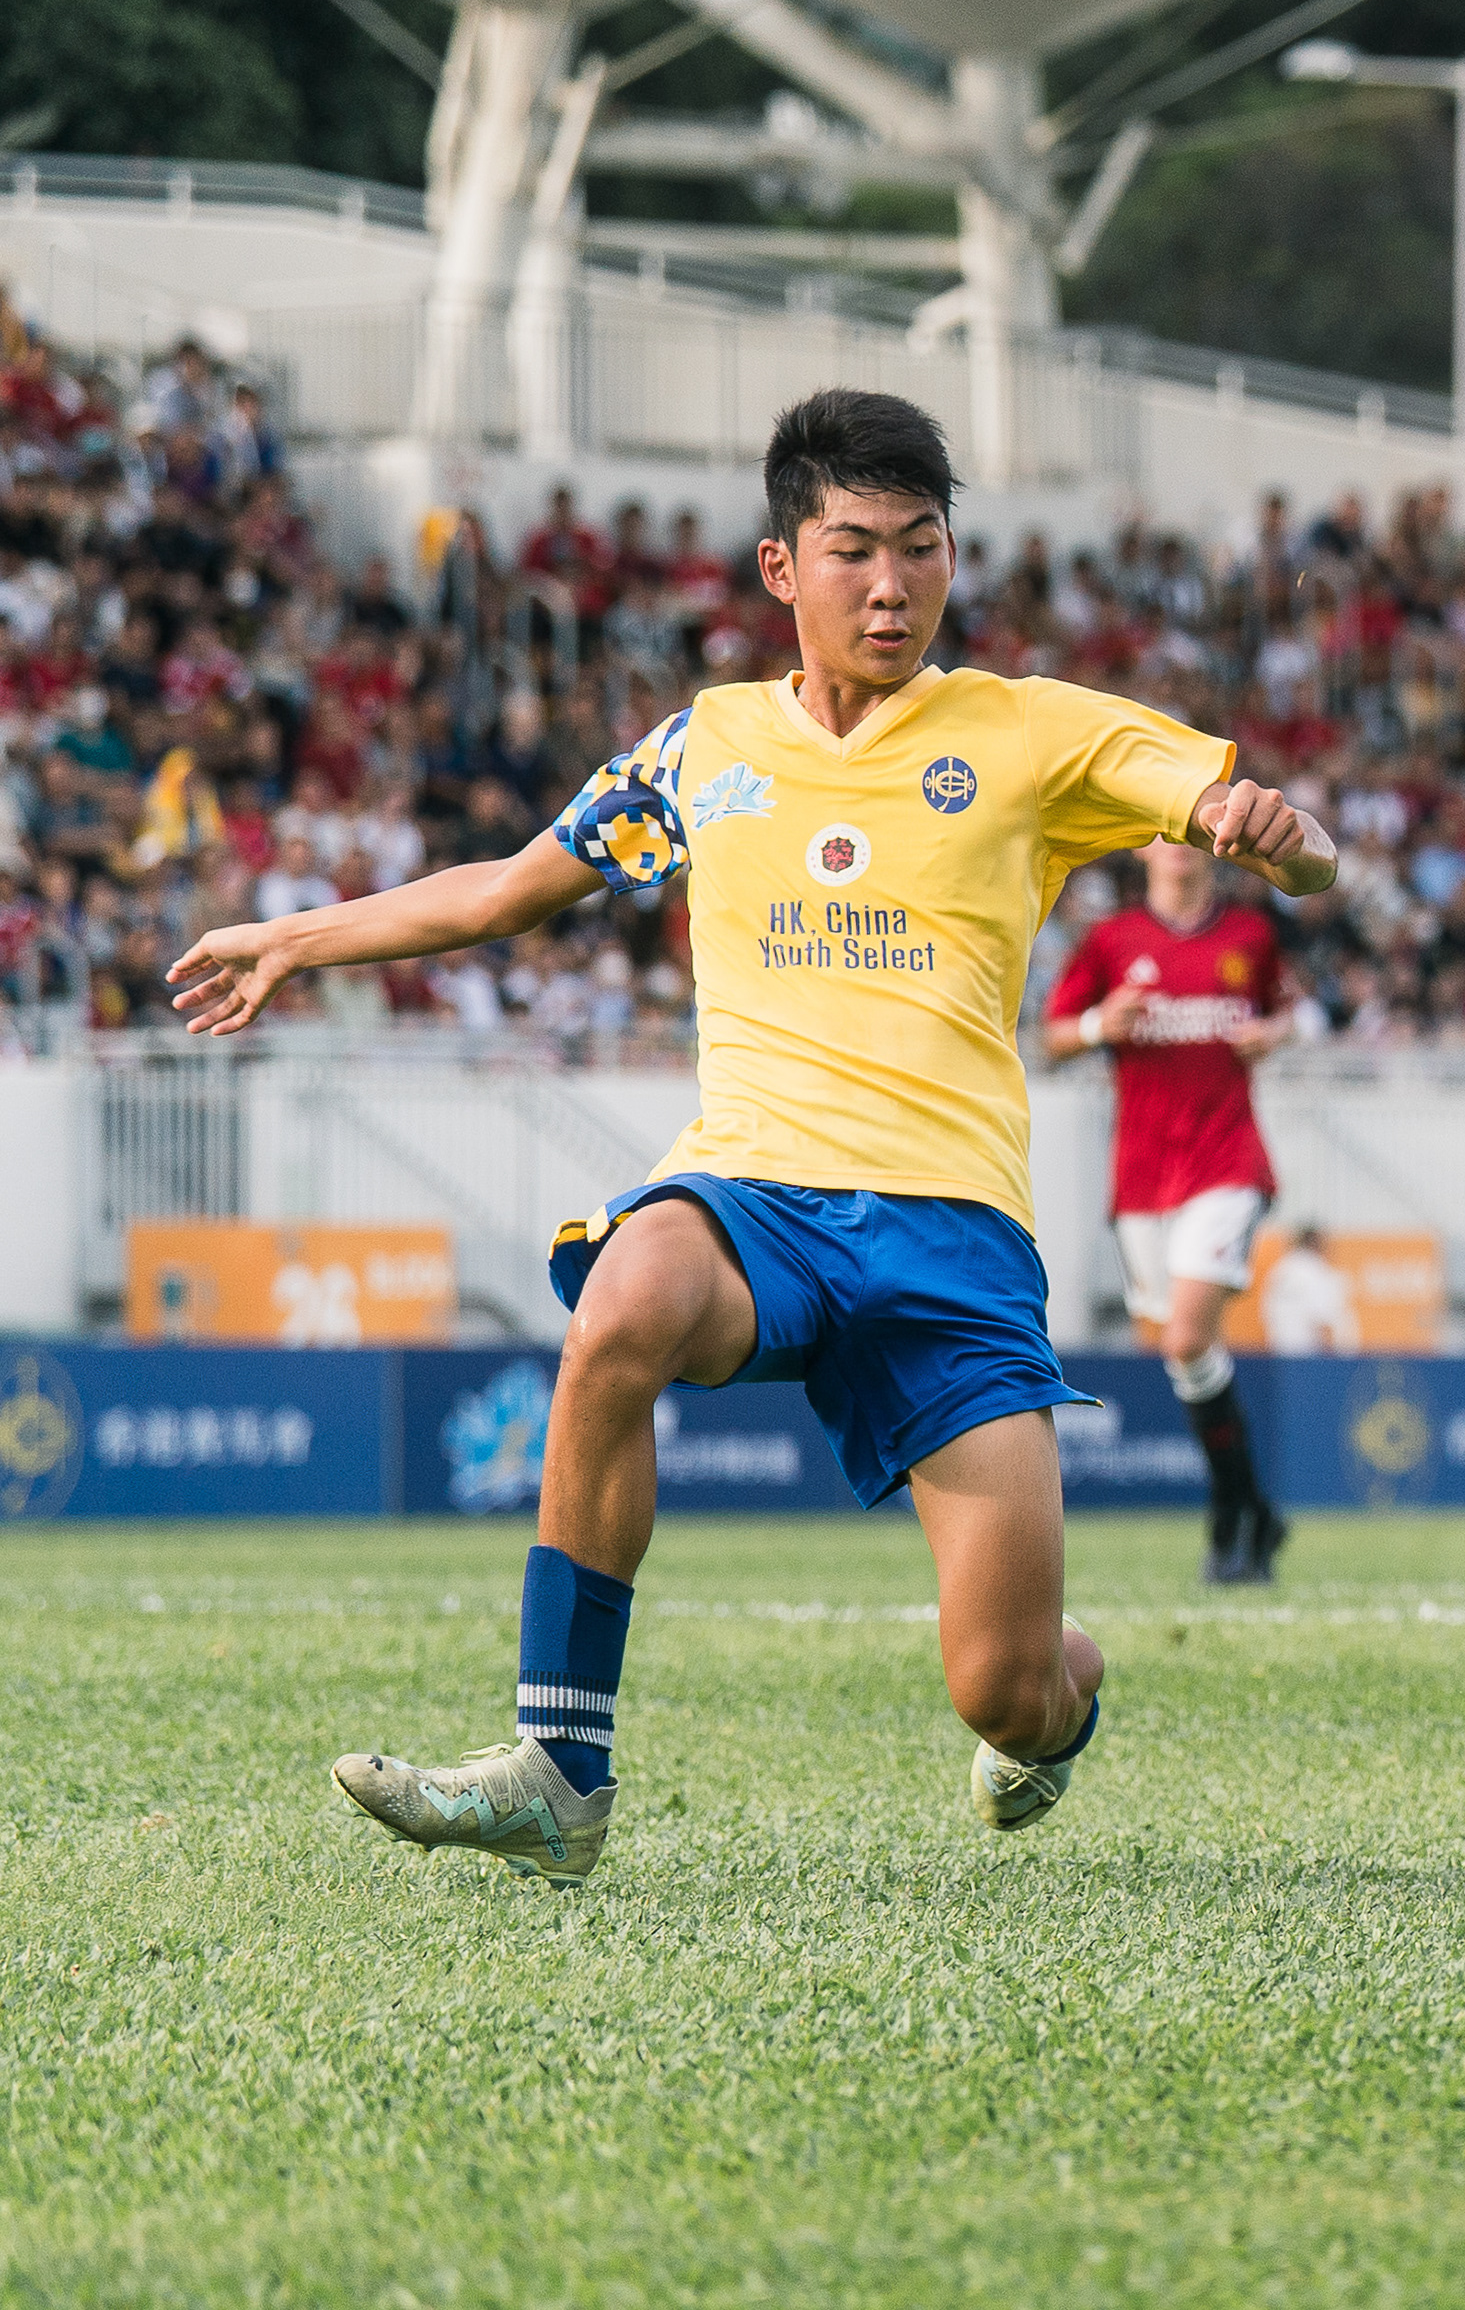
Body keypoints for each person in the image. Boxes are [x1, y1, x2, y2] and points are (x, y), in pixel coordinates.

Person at [166, 389, 1336, 1884]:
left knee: (1006, 1689)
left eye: (921, 547)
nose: (893, 585)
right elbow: (507, 888)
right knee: (624, 1299)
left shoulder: (1029, 732)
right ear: (783, 566)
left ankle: (1062, 1684)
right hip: (755, 1196)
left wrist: (1289, 847)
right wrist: (295, 936)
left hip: (954, 1237)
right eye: (855, 550)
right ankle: (560, 1769)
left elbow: (1273, 835)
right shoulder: (704, 750)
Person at [1047, 840, 1292, 1584]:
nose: (1178, 845)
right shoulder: (1112, 940)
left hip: (1227, 1159)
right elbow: (1053, 1036)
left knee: (1186, 1335)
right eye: (1165, 831)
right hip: (1143, 1176)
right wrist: (1101, 1026)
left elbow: (1285, 1009)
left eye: (1191, 831)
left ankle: (1229, 1514)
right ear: (1143, 843)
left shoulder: (1249, 934)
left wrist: (1272, 1034)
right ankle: (1252, 1507)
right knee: (1185, 1350)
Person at [1260, 1224, 1360, 1358]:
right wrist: (1333, 1358)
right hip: (1312, 1354)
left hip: (1283, 1351)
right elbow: (1322, 1318)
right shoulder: (1311, 1271)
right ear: (1315, 1242)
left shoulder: (1282, 1269)